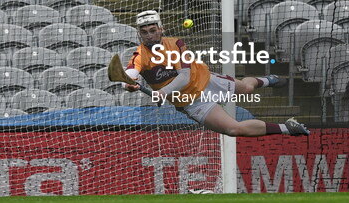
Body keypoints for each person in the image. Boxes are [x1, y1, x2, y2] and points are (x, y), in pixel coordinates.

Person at [124, 10, 309, 137]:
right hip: (192, 103)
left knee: (246, 88)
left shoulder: (176, 44)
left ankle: (268, 80)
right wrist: (129, 84)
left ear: (161, 29)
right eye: (144, 32)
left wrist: (163, 93)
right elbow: (130, 74)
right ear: (139, 34)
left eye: (152, 30)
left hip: (207, 81)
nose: (149, 35)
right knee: (234, 130)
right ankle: (288, 127)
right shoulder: (140, 55)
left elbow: (184, 77)